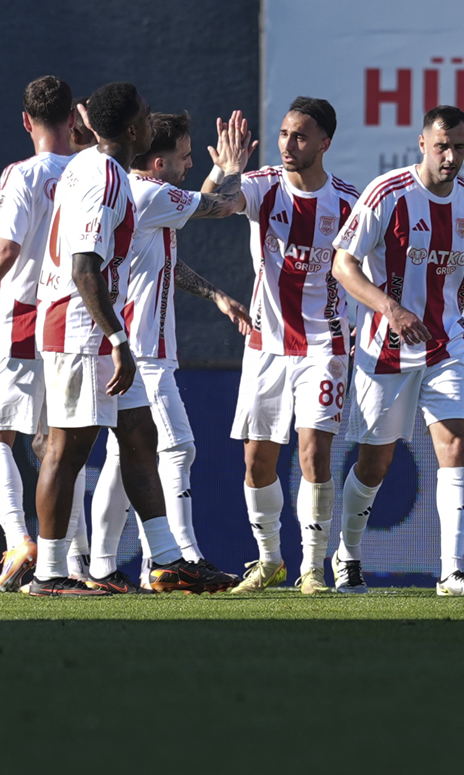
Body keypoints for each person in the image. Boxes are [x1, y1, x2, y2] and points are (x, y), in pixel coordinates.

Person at [29, 82, 235, 596]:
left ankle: (167, 561)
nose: (150, 120)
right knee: (66, 451)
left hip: (96, 325)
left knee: (141, 440)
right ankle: (49, 574)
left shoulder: (97, 165)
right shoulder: (105, 179)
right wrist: (118, 339)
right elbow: (83, 268)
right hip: (82, 328)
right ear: (131, 131)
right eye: (144, 114)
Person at [329, 105, 464, 595]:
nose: (450, 156)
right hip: (385, 349)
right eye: (442, 145)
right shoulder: (389, 193)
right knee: (376, 462)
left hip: (446, 344)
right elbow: (344, 265)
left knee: (456, 444)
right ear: (422, 143)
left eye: (460, 147)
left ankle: (451, 571)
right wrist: (392, 309)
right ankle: (348, 554)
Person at [82, 110, 253, 591]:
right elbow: (215, 205)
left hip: (134, 348)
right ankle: (179, 559)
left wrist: (215, 294)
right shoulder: (150, 194)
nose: (191, 162)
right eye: (183, 156)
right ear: (157, 163)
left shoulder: (145, 196)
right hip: (140, 351)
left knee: (122, 462)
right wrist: (232, 168)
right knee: (176, 447)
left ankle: (101, 568)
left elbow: (164, 262)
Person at [203, 97, 360, 595]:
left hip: (325, 343)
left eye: (300, 136)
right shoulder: (263, 185)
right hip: (266, 342)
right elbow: (211, 205)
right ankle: (269, 560)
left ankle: (313, 566)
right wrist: (224, 171)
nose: (289, 144)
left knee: (314, 451)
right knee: (257, 460)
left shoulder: (349, 202)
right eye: (285, 134)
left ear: (324, 143)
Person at [0, 76, 93, 593]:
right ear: (72, 119)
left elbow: (5, 251)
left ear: (26, 122)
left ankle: (20, 540)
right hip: (71, 322)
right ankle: (77, 563)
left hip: (21, 318)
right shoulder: (93, 172)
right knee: (62, 447)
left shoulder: (20, 174)